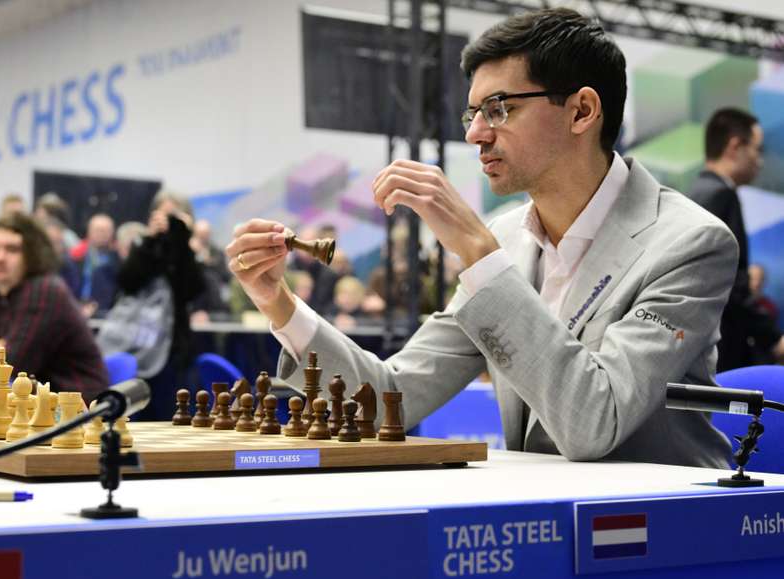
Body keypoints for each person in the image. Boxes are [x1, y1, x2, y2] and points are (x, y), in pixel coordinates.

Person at [226, 8, 739, 468]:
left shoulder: (689, 243)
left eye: (499, 108)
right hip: (545, 523)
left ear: (582, 111)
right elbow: (392, 397)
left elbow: (593, 423)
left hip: (667, 537)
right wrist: (281, 305)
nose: (475, 134)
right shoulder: (505, 238)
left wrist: (478, 255)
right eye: (473, 114)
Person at [0, 213, 108, 400]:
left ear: (32, 256)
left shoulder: (45, 292)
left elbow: (12, 367)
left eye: (12, 249)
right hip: (26, 407)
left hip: (75, 409)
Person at [688, 108, 784, 371]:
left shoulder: (696, 192)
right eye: (757, 149)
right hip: (722, 352)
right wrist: (773, 338)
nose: (760, 161)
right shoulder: (722, 195)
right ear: (735, 146)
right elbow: (728, 285)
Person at [117, 189, 204, 419]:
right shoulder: (146, 244)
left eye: (174, 216)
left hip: (175, 347)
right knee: (140, 414)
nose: (168, 221)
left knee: (174, 413)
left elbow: (193, 289)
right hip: (141, 343)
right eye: (163, 215)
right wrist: (150, 239)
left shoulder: (186, 249)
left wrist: (183, 240)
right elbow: (127, 281)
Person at [72, 213, 120, 318]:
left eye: (105, 230)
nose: (101, 234)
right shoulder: (75, 256)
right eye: (98, 230)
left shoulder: (118, 260)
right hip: (76, 305)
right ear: (89, 231)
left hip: (104, 311)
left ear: (112, 233)